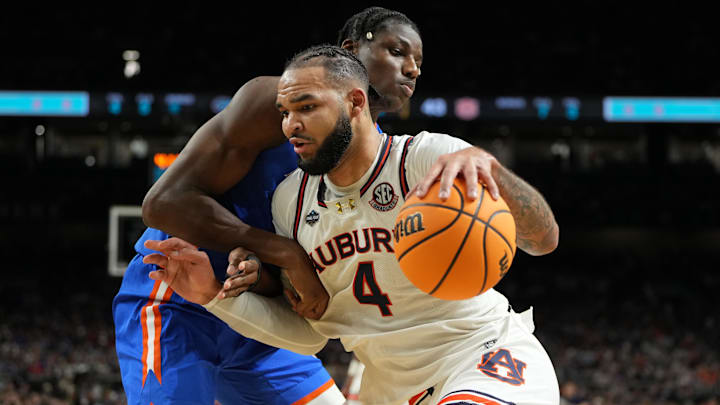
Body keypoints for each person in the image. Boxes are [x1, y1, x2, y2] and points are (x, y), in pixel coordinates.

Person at [143, 45, 561, 405]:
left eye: (307, 107)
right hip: (391, 391)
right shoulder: (291, 202)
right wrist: (214, 297)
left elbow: (543, 240)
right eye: (285, 112)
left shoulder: (425, 158)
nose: (291, 124)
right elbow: (310, 333)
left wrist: (493, 170)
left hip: (481, 357)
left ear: (356, 104)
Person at [112, 7, 426, 405]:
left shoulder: (376, 157)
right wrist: (284, 252)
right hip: (179, 302)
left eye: (417, 61)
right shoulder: (277, 101)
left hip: (259, 324)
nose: (412, 69)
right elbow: (162, 203)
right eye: (397, 51)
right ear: (351, 49)